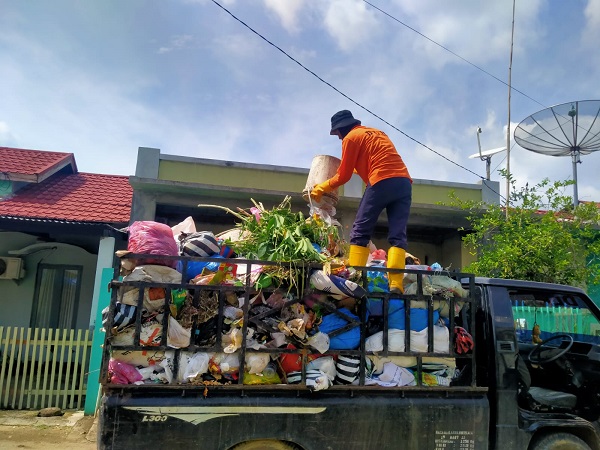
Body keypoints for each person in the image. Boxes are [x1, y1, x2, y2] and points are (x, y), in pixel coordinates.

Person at [310, 110, 412, 293]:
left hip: (382, 180)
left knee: (360, 231)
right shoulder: (376, 133)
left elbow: (343, 176)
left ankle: (353, 278)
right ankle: (396, 283)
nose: (339, 138)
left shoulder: (350, 138)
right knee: (398, 235)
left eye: (337, 134)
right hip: (404, 183)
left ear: (340, 130)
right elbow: (372, 161)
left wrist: (322, 187)